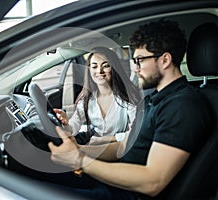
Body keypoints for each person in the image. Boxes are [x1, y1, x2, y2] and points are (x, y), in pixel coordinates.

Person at [47, 19, 213, 199]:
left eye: (140, 60)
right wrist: (78, 150)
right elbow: (122, 146)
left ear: (165, 60)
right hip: (115, 179)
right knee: (40, 176)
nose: (135, 68)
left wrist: (80, 161)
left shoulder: (182, 105)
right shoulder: (153, 99)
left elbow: (153, 181)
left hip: (128, 193)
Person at [54, 47, 141, 146]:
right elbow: (73, 127)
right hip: (95, 146)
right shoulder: (86, 99)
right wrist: (65, 123)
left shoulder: (128, 97)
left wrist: (106, 139)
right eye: (94, 67)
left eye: (106, 66)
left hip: (121, 146)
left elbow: (136, 132)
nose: (99, 71)